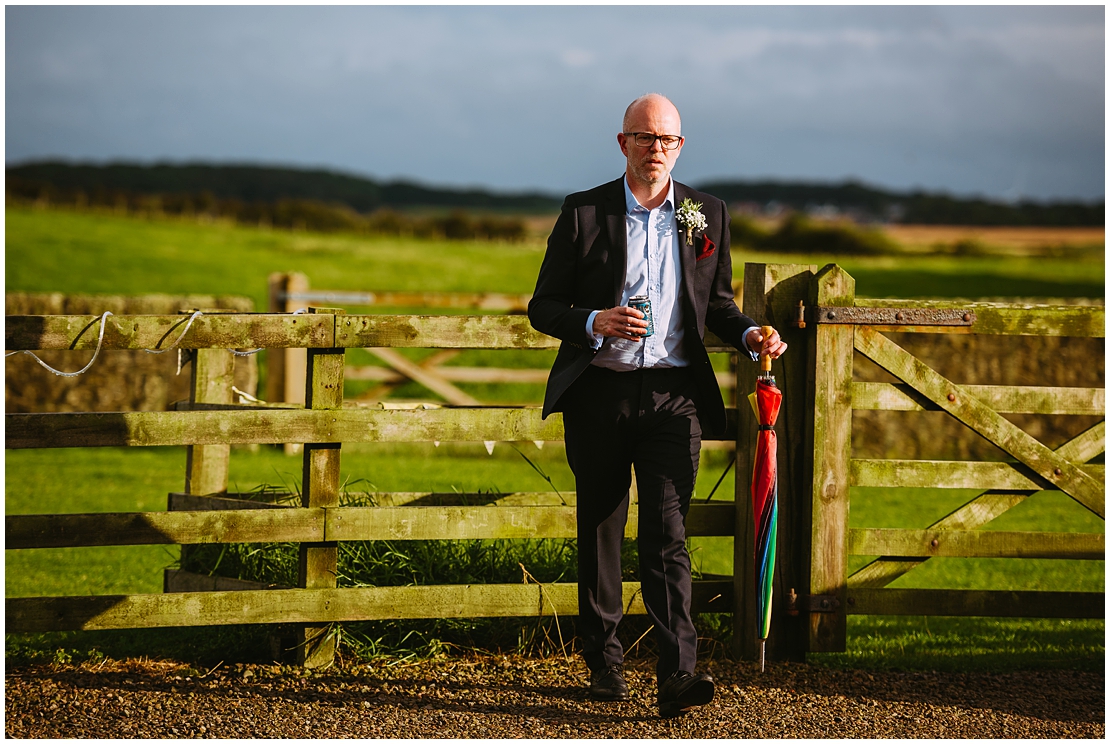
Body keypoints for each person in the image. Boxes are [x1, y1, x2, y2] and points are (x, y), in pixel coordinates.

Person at [527, 93, 787, 719]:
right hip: (601, 394)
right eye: (644, 138)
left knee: (668, 533)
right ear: (622, 143)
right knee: (603, 527)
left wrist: (749, 333)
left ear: (680, 146)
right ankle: (605, 664)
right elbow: (543, 305)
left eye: (667, 140)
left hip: (675, 397)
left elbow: (716, 304)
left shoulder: (705, 214)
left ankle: (678, 673)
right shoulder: (584, 212)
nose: (656, 150)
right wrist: (596, 320)